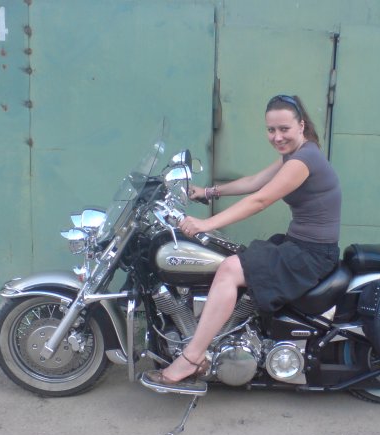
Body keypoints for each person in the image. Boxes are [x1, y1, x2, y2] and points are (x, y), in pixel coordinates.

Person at [143, 94, 342, 392]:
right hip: (299, 244)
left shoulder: (305, 160)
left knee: (229, 269)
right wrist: (208, 192)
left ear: (301, 125)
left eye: (284, 129)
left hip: (311, 254)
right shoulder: (296, 154)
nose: (277, 137)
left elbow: (260, 199)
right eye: (271, 130)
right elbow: (254, 181)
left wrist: (206, 224)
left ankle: (192, 358)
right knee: (227, 257)